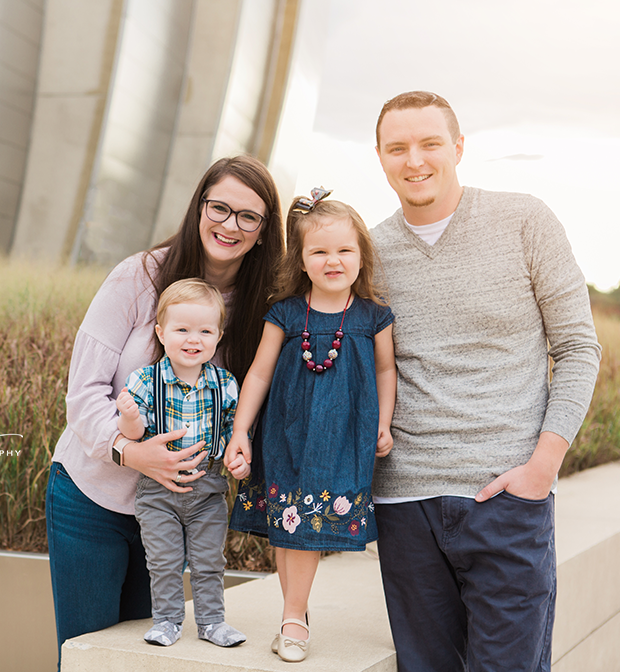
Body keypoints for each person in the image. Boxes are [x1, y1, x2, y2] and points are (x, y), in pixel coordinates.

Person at [370, 91, 602, 672]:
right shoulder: (368, 252)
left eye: (429, 143)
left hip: (506, 497)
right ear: (379, 157)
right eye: (397, 148)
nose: (414, 160)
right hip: (405, 503)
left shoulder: (524, 220)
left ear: (459, 147)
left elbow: (577, 347)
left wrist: (543, 467)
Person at [45, 156, 285, 670]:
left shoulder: (264, 306)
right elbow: (82, 390)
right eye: (219, 207)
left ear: (265, 232)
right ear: (199, 207)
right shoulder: (139, 275)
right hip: (94, 501)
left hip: (181, 512)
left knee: (147, 658)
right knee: (89, 655)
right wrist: (130, 452)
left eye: (249, 216)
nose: (230, 225)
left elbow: (250, 406)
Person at [225, 191, 397, 662]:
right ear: (301, 261)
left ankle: (293, 618)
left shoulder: (373, 316)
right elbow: (258, 373)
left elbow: (386, 370)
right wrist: (241, 431)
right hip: (285, 431)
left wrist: (383, 421)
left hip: (343, 436)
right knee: (288, 525)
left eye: (344, 250)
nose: (333, 260)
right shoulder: (285, 312)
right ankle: (293, 615)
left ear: (362, 256)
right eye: (319, 251)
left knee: (307, 524)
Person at [115, 278, 246, 648]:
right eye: (182, 329)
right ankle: (168, 621)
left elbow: (235, 433)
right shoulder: (145, 380)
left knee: (209, 561)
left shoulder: (224, 384)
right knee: (164, 561)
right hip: (157, 492)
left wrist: (239, 459)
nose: (194, 339)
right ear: (161, 332)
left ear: (218, 336)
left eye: (205, 331)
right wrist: (127, 417)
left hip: (208, 489)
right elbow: (134, 431)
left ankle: (211, 622)